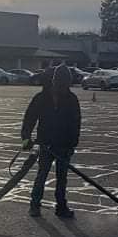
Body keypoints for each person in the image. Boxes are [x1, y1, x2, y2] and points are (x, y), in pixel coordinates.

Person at [21, 63, 81, 218]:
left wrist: (72, 144)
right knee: (42, 174)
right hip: (45, 143)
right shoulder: (41, 98)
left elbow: (75, 123)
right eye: (61, 84)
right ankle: (35, 205)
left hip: (64, 145)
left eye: (66, 85)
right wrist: (26, 138)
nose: (64, 88)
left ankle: (61, 207)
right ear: (55, 81)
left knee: (62, 178)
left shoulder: (71, 99)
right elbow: (29, 118)